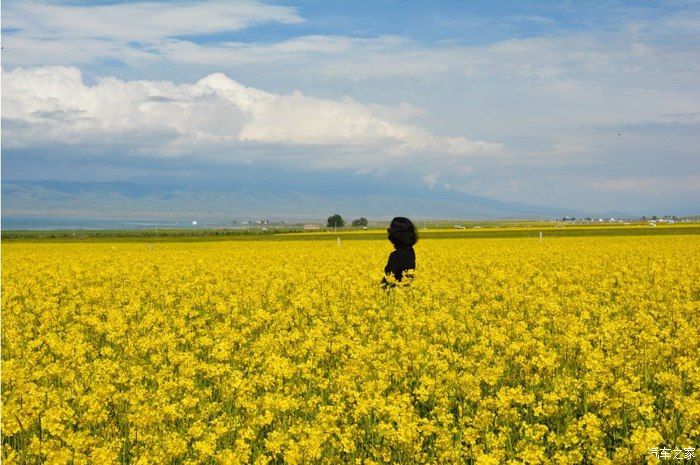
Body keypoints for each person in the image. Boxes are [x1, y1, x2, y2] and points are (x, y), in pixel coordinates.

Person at [381, 217, 417, 289]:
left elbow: (388, 279)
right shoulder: (411, 251)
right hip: (406, 291)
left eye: (390, 231)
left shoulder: (396, 255)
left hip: (396, 292)